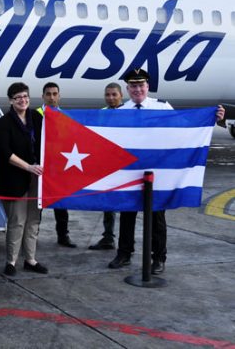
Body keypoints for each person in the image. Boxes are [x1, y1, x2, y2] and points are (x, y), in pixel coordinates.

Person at [108, 68, 225, 274]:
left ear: (148, 86)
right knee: (127, 214)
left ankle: (159, 258)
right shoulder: (120, 112)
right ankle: (124, 253)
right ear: (127, 89)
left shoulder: (162, 107)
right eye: (133, 86)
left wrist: (211, 119)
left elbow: (184, 129)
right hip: (128, 172)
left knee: (156, 218)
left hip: (156, 174)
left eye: (141, 85)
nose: (137, 89)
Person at [0, 82, 48, 277]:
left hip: (37, 176)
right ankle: (11, 261)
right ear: (11, 100)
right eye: (18, 97)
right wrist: (28, 167)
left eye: (25, 96)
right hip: (15, 177)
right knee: (17, 220)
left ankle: (30, 259)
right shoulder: (4, 122)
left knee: (34, 219)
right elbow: (5, 152)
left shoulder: (36, 117)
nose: (23, 100)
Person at [36, 82, 77, 248]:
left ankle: (63, 235)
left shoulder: (65, 116)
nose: (51, 97)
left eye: (54, 94)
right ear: (43, 96)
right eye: (48, 94)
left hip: (59, 168)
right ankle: (33, 237)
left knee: (61, 205)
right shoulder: (36, 115)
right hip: (41, 166)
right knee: (36, 206)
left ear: (59, 96)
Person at [88, 82, 123, 251]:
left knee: (126, 206)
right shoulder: (101, 113)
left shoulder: (129, 113)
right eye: (107, 95)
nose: (110, 98)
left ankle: (125, 242)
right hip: (108, 166)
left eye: (114, 95)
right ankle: (108, 237)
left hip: (126, 166)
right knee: (108, 205)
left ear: (121, 96)